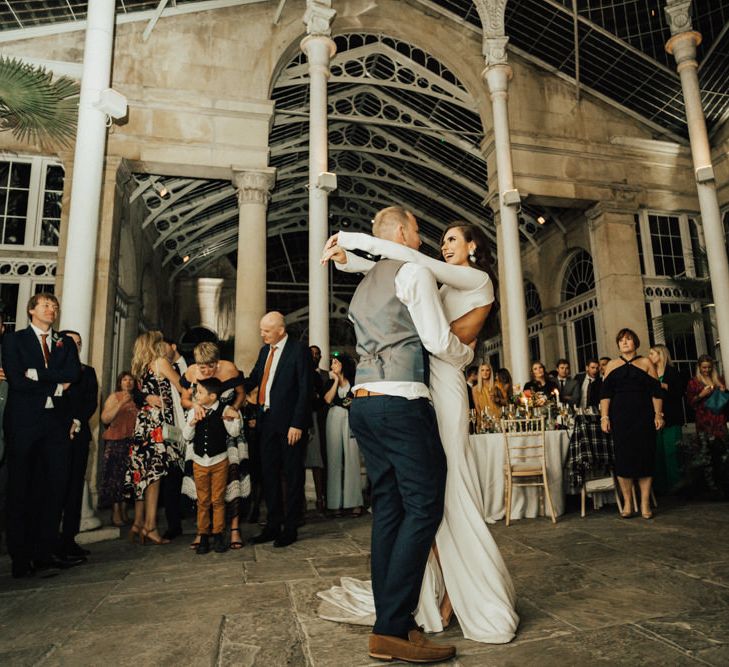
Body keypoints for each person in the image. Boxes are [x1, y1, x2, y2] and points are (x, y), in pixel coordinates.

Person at [321, 211, 518, 653]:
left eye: (452, 239)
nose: (440, 245)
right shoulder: (421, 272)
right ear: (406, 233)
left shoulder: (471, 281)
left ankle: (413, 611)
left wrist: (349, 256)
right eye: (434, 236)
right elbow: (431, 328)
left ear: (473, 248)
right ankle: (398, 620)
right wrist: (350, 254)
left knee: (404, 503)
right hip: (409, 394)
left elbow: (389, 261)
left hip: (393, 398)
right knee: (426, 503)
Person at [2, 293, 83, 577]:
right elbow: (16, 378)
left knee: (54, 487)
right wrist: (56, 386)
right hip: (24, 423)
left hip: (55, 425)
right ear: (31, 310)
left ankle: (45, 552)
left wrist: (38, 373)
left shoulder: (65, 343)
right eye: (46, 305)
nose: (52, 309)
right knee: (21, 489)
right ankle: (21, 558)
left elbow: (73, 374)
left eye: (55, 305)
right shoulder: (14, 340)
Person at [244, 312, 313, 548]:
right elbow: (254, 378)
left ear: (280, 331)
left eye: (266, 330)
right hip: (266, 420)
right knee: (268, 474)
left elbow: (305, 389)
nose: (261, 334)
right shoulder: (265, 351)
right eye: (261, 329)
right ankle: (273, 525)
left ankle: (291, 527)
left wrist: (298, 424)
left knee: (293, 475)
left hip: (290, 424)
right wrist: (227, 385)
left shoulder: (299, 350)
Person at [179, 342, 248, 549]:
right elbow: (184, 399)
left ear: (218, 362)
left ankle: (233, 528)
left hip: (228, 428)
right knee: (202, 485)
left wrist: (232, 410)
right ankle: (204, 531)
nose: (207, 371)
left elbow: (241, 394)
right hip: (201, 428)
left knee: (231, 478)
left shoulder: (229, 369)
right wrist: (196, 405)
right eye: (202, 367)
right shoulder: (191, 372)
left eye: (211, 366)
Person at [126, 330, 184, 546]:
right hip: (159, 424)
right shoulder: (160, 362)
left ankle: (144, 524)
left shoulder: (140, 368)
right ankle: (149, 526)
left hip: (144, 423)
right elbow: (181, 385)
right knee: (157, 473)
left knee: (148, 474)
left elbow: (139, 395)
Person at [600, 328, 663, 519]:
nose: (625, 342)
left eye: (628, 339)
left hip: (643, 417)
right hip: (620, 418)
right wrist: (605, 417)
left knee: (645, 457)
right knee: (623, 459)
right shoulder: (611, 365)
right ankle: (628, 502)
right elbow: (605, 395)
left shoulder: (646, 363)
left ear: (635, 342)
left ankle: (644, 504)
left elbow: (656, 392)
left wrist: (658, 415)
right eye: (621, 340)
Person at [58, 330, 99, 560]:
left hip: (80, 436)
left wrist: (75, 421)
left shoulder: (87, 372)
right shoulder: (52, 370)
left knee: (75, 489)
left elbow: (91, 402)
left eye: (80, 343)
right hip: (55, 437)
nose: (77, 346)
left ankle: (69, 540)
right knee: (54, 490)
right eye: (73, 343)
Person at [324, 354, 363, 517]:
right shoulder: (329, 381)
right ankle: (334, 503)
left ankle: (354, 502)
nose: (333, 364)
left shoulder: (353, 381)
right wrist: (335, 381)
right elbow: (327, 399)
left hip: (351, 418)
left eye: (336, 362)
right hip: (334, 416)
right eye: (332, 362)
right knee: (334, 458)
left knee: (352, 458)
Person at [99, 371, 138, 526]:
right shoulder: (114, 397)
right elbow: (105, 418)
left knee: (127, 478)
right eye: (124, 380)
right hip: (116, 441)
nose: (128, 382)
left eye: (131, 380)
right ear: (119, 383)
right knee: (115, 478)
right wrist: (121, 403)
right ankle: (115, 513)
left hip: (132, 442)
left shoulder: (137, 400)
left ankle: (124, 510)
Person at [648, 345, 685, 494]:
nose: (649, 356)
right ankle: (660, 489)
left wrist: (664, 385)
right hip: (654, 418)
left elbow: (680, 393)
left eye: (652, 353)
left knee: (672, 453)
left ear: (660, 355)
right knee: (658, 453)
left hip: (671, 417)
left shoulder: (672, 372)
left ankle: (677, 488)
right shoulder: (650, 372)